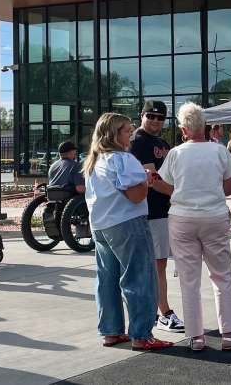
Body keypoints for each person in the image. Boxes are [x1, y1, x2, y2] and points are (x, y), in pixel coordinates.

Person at [161, 101, 231, 352]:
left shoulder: (175, 153)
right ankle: (229, 335)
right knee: (222, 275)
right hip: (213, 215)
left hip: (182, 217)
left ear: (183, 130)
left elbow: (169, 185)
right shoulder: (220, 151)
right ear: (205, 126)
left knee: (189, 279)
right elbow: (227, 188)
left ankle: (196, 337)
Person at [82, 112, 173, 351]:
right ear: (114, 134)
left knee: (107, 279)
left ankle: (111, 331)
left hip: (101, 225)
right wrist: (147, 181)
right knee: (140, 277)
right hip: (127, 223)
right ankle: (142, 334)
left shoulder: (94, 160)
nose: (130, 133)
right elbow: (135, 196)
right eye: (125, 130)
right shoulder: (123, 159)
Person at [128, 100, 185, 335]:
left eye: (160, 117)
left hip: (164, 211)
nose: (155, 120)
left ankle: (154, 313)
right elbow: (152, 179)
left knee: (158, 263)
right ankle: (164, 313)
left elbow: (172, 173)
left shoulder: (161, 142)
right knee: (156, 264)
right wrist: (180, 193)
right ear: (141, 115)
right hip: (150, 211)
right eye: (150, 116)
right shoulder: (138, 141)